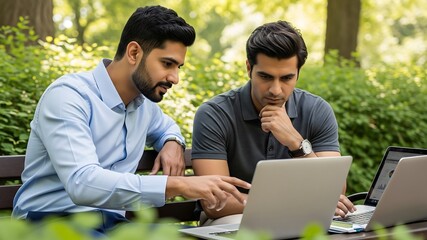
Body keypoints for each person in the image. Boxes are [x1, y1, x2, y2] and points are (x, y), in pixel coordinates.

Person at [12, 5, 250, 234]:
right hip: (48, 221)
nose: (175, 78)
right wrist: (181, 184)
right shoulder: (68, 97)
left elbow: (166, 126)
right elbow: (82, 182)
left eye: (179, 67)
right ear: (134, 52)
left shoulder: (143, 104)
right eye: (167, 64)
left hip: (111, 224)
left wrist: (172, 142)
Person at [191, 20, 356, 225]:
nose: (276, 90)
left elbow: (335, 191)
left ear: (298, 73)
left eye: (287, 78)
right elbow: (217, 203)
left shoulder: (317, 110)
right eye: (265, 77)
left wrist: (297, 144)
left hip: (303, 218)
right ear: (249, 68)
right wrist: (299, 204)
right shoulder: (214, 114)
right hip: (235, 220)